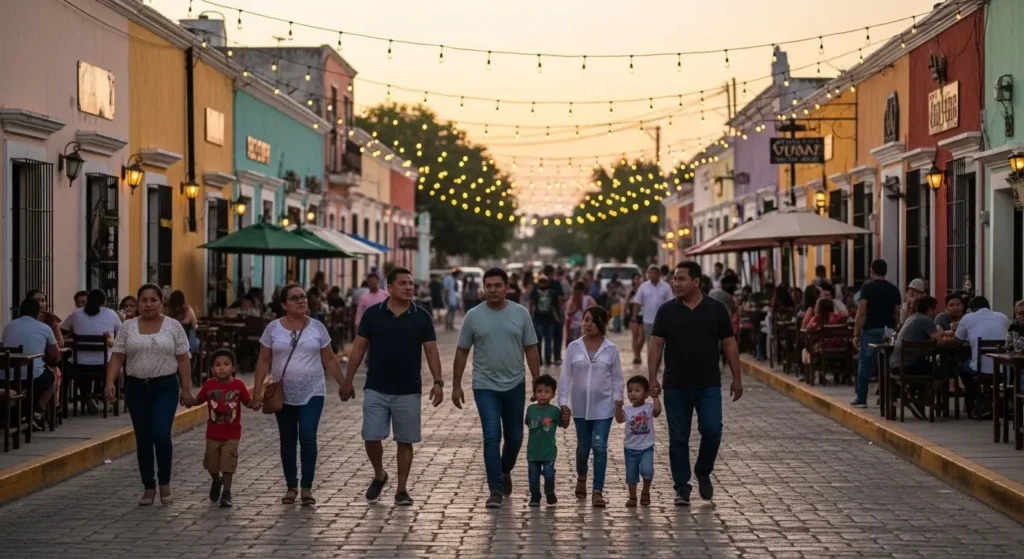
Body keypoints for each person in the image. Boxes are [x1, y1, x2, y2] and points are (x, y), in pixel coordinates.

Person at [341, 268, 443, 506]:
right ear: (391, 288)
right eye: (403, 283)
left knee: (405, 440)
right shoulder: (373, 314)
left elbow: (431, 351)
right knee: (371, 436)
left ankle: (401, 489)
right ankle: (379, 474)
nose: (409, 287)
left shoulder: (422, 317)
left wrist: (438, 382)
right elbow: (358, 348)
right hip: (376, 386)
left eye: (411, 284)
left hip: (408, 389)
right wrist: (348, 379)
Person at [648, 261, 742, 506]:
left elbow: (729, 344)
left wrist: (737, 377)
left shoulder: (717, 309)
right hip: (675, 385)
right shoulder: (666, 311)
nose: (675, 283)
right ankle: (682, 487)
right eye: (674, 279)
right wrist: (652, 377)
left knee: (712, 430)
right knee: (678, 437)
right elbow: (656, 344)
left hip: (708, 384)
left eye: (681, 279)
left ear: (697, 282)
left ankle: (702, 469)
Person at [452, 268, 541, 509]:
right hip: (485, 385)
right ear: (483, 288)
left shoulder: (520, 314)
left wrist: (537, 379)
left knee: (515, 437)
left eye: (497, 285)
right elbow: (462, 351)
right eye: (488, 285)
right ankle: (495, 489)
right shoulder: (473, 316)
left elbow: (531, 348)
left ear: (507, 288)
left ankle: (504, 470)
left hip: (515, 383)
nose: (492, 290)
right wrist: (456, 385)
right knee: (491, 436)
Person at [251, 283, 346, 506]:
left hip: (313, 390)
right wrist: (256, 391)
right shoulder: (273, 329)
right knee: (287, 439)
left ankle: (307, 488)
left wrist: (344, 383)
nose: (301, 301)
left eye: (303, 297)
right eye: (294, 298)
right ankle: (291, 486)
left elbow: (330, 358)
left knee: (307, 435)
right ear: (283, 304)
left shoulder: (317, 328)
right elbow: (263, 360)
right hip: (282, 393)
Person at [104, 284, 193, 506]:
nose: (149, 304)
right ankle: (148, 485)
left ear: (161, 302)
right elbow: (117, 356)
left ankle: (165, 482)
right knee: (143, 438)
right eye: (144, 300)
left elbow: (183, 358)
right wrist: (109, 382)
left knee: (161, 434)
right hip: (136, 388)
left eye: (153, 300)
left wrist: (187, 388)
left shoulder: (173, 327)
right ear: (137, 302)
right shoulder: (127, 327)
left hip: (165, 387)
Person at [557, 306, 624, 508]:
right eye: (585, 320)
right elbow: (565, 377)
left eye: (592, 321)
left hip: (604, 407)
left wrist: (618, 400)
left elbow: (617, 379)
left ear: (602, 324)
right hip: (579, 407)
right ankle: (582, 477)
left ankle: (597, 491)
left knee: (600, 447)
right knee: (583, 448)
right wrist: (563, 403)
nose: (587, 324)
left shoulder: (611, 350)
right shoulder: (573, 348)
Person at [194, 348, 251, 508]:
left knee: (228, 464)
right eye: (217, 365)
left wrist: (256, 402)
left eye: (226, 364)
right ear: (212, 369)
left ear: (233, 367)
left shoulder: (239, 385)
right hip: (212, 434)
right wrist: (189, 400)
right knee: (211, 464)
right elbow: (198, 399)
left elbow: (248, 402)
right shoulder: (209, 384)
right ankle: (216, 480)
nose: (222, 368)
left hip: (232, 434)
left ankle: (226, 492)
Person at [2, 297, 60, 430]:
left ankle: (24, 411)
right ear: (39, 313)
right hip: (32, 375)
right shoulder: (44, 328)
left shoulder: (8, 326)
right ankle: (37, 410)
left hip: (5, 375)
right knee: (52, 378)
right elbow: (55, 354)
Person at [888, 296, 950, 420]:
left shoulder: (912, 318)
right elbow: (939, 342)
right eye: (934, 310)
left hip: (896, 364)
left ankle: (916, 398)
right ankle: (923, 400)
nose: (936, 313)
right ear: (929, 310)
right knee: (942, 373)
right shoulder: (925, 320)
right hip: (909, 365)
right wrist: (954, 340)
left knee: (927, 366)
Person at [62, 289, 122, 415]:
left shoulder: (76, 314)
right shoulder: (111, 314)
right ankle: (99, 394)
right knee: (118, 368)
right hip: (105, 365)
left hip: (80, 366)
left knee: (69, 366)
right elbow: (122, 334)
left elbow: (62, 329)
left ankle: (87, 395)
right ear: (105, 302)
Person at [851, 259, 902, 408]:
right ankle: (885, 397)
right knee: (886, 365)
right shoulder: (894, 289)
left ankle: (861, 399)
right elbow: (897, 313)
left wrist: (855, 333)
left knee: (865, 364)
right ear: (885, 271)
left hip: (870, 330)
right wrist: (895, 329)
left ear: (871, 271)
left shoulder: (867, 288)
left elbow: (861, 312)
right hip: (888, 330)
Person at [954, 296, 1011, 418]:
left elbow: (957, 341)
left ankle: (976, 399)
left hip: (980, 369)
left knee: (962, 368)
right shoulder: (1003, 317)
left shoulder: (968, 318)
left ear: (972, 309)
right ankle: (989, 399)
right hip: (1003, 369)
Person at [615, 375, 661, 508]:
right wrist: (618, 407)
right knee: (631, 474)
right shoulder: (627, 410)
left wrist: (655, 397)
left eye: (637, 390)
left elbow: (657, 411)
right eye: (630, 391)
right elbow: (619, 419)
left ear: (646, 393)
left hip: (646, 447)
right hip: (630, 448)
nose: (633, 394)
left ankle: (646, 491)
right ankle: (633, 496)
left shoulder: (649, 407)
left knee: (648, 471)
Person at [525, 374, 564, 507]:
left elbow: (563, 424)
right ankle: (535, 497)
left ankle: (549, 491)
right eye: (539, 391)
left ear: (553, 394)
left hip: (548, 451)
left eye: (547, 392)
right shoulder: (530, 409)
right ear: (534, 392)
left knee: (548, 473)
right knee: (533, 477)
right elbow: (528, 423)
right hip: (533, 452)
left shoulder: (554, 411)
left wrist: (566, 414)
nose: (542, 395)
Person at [631, 264, 673, 349]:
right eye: (650, 273)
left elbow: (671, 302)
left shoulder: (666, 287)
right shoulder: (643, 286)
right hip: (648, 320)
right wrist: (634, 316)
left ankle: (661, 360)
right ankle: (651, 361)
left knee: (662, 342)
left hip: (663, 320)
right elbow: (637, 302)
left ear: (659, 274)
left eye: (654, 273)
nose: (651, 275)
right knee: (650, 342)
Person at [528, 276, 559, 366]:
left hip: (549, 320)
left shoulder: (552, 293)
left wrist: (557, 318)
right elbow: (531, 304)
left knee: (548, 342)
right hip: (538, 319)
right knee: (539, 341)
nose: (542, 284)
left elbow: (555, 307)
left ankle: (548, 360)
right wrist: (530, 316)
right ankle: (540, 360)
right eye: (541, 282)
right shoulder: (535, 293)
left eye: (544, 282)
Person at [541, 265, 566, 365]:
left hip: (543, 315)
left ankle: (546, 359)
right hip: (556, 314)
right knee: (557, 336)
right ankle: (556, 357)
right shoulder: (556, 283)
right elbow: (560, 298)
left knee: (546, 338)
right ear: (552, 272)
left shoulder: (540, 283)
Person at [626, 272, 645, 365]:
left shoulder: (645, 289)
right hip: (633, 315)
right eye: (636, 278)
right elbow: (626, 302)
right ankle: (636, 356)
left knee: (642, 337)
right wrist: (625, 313)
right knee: (635, 336)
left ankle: (638, 353)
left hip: (643, 315)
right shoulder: (631, 291)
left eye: (639, 278)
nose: (638, 280)